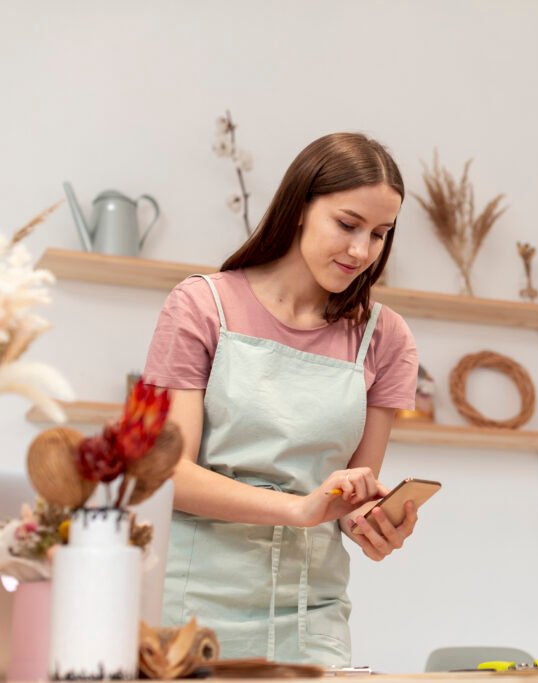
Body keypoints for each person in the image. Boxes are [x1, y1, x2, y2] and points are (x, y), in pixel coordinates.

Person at [143, 132, 419, 666]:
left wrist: (374, 522)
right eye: (347, 224)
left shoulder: (385, 338)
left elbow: (349, 499)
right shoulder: (203, 306)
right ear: (298, 208)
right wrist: (300, 509)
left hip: (312, 615)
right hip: (190, 610)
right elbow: (167, 473)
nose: (362, 251)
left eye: (380, 234)